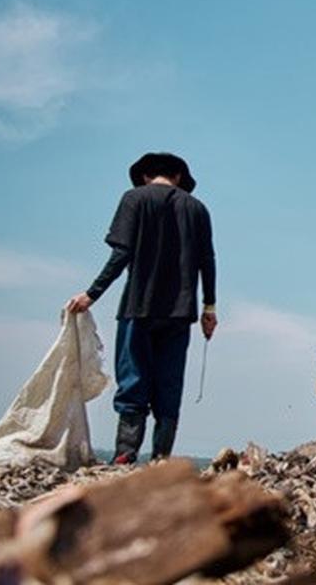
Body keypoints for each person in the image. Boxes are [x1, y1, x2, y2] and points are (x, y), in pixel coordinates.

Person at [65, 152, 218, 464]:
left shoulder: (134, 199)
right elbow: (208, 262)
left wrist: (92, 294)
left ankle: (125, 454)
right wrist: (209, 308)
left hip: (139, 305)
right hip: (180, 312)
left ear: (146, 176)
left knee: (133, 378)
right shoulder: (197, 209)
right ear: (178, 177)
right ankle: (161, 457)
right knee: (169, 382)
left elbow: (121, 254)